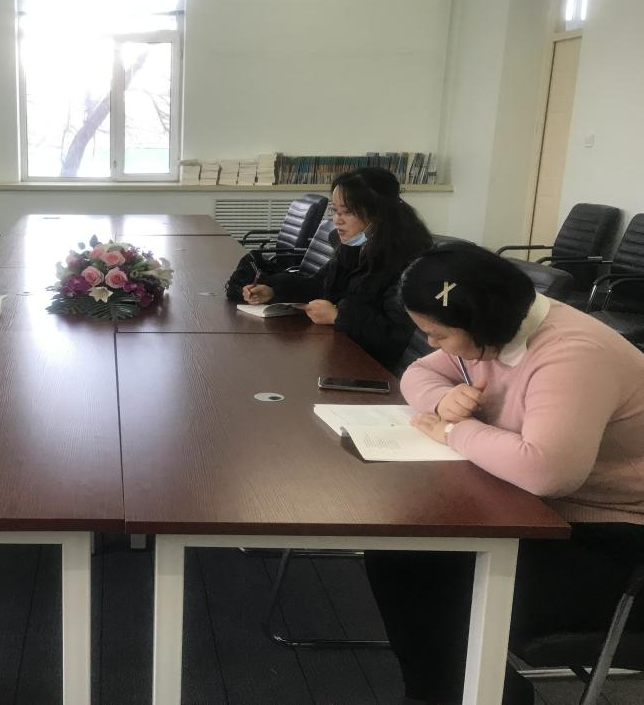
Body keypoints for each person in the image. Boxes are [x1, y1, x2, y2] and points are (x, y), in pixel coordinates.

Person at [366, 243, 644, 704]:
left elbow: (547, 471)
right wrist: (442, 399)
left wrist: (454, 430)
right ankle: (465, 691)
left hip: (620, 540)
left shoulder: (573, 354)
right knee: (403, 553)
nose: (430, 343)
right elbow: (417, 374)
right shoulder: (497, 328)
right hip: (549, 512)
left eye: (437, 335)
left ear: (480, 325)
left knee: (430, 567)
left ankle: (476, 693)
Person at [241, 167, 434, 371]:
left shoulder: (407, 261)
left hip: (372, 368)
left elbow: (393, 337)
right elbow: (319, 285)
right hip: (340, 351)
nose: (337, 220)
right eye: (335, 210)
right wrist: (274, 290)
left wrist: (338, 316)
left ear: (379, 214)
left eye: (348, 212)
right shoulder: (354, 245)